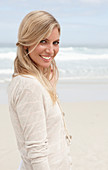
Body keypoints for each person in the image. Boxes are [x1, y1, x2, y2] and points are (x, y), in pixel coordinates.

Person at [8, 10, 72, 170]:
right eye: (43, 41)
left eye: (55, 42)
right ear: (26, 43)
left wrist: (49, 86)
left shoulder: (36, 82)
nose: (51, 50)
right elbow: (36, 153)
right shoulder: (29, 86)